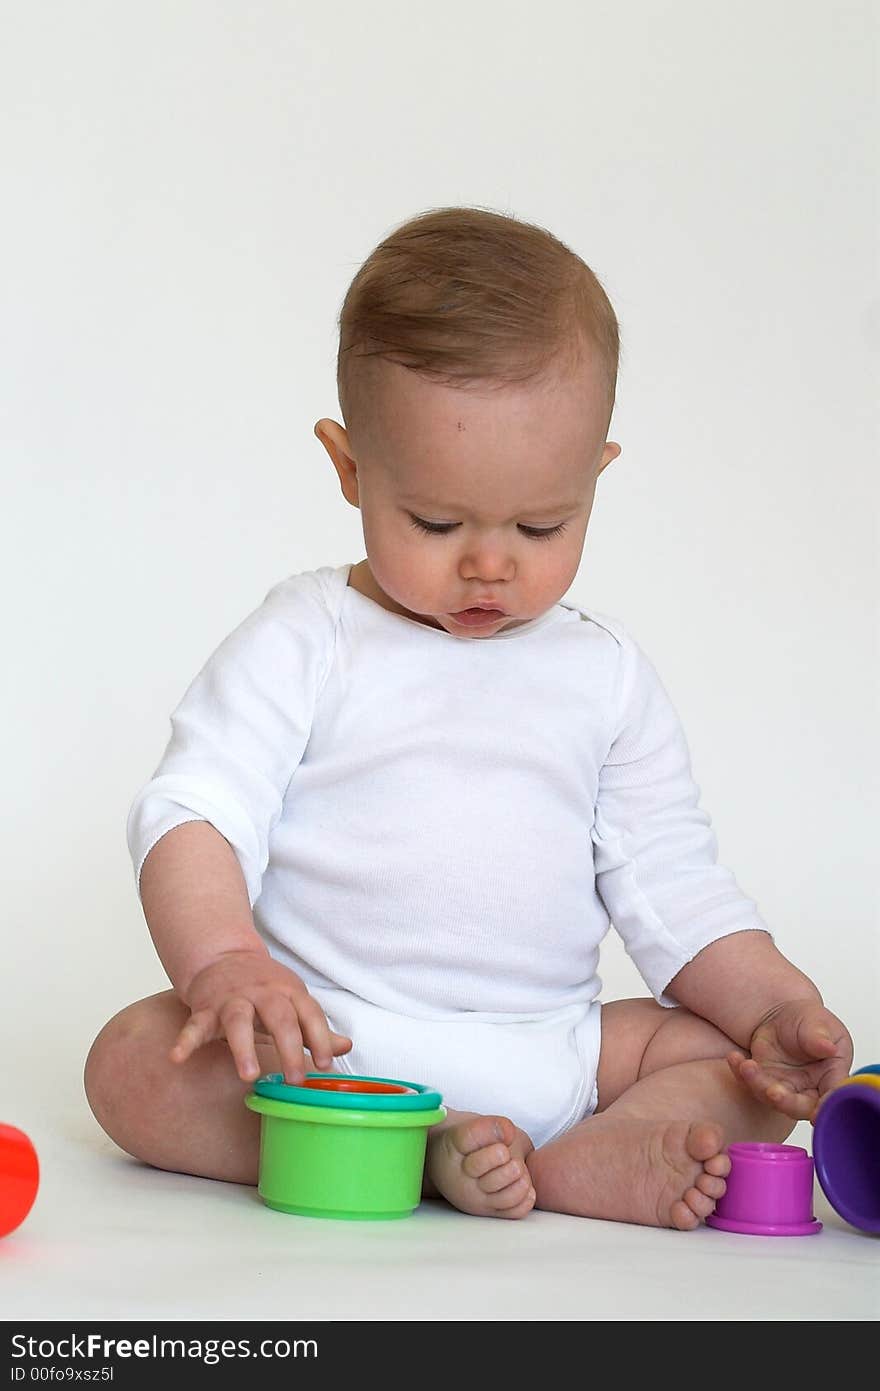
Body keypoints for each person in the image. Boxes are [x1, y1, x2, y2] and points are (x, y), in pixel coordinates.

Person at [84, 205, 854, 1229]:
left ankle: (580, 1154)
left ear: (596, 477)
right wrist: (225, 959)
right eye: (436, 522)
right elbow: (197, 807)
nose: (488, 562)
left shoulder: (604, 674)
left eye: (542, 523)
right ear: (350, 467)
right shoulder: (308, 636)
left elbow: (671, 877)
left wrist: (774, 1005)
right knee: (130, 1059)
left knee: (730, 1065)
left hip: (555, 1044)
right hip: (329, 1046)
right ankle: (418, 1146)